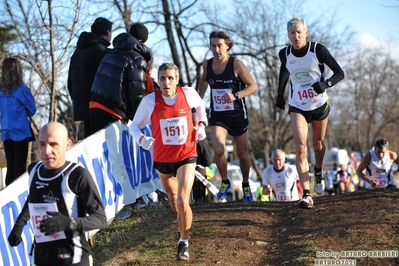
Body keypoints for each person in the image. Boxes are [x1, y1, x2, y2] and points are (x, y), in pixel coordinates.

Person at [130, 63, 207, 260]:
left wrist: (201, 125)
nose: (166, 82)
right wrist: (141, 139)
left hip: (186, 154)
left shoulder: (187, 93)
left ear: (177, 80)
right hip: (163, 157)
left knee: (182, 199)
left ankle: (183, 242)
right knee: (173, 200)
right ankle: (182, 222)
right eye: (162, 78)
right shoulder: (150, 101)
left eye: (170, 78)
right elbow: (135, 126)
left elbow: (199, 105)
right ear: (158, 80)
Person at [7, 122, 107, 266]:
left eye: (54, 144)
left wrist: (68, 223)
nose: (46, 151)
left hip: (73, 259)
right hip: (42, 257)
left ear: (68, 144)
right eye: (42, 144)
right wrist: (19, 224)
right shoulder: (34, 170)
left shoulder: (77, 175)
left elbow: (100, 219)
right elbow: (34, 198)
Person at [275, 18, 344, 209]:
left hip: (319, 104)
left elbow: (340, 72)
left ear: (306, 32)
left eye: (299, 32)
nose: (296, 36)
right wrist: (280, 94)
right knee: (300, 147)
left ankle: (318, 170)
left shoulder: (317, 50)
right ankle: (306, 194)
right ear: (288, 35)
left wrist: (325, 84)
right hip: (297, 105)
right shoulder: (285, 53)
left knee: (318, 144)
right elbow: (285, 72)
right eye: (292, 33)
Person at [198, 30, 258, 202]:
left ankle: (246, 184)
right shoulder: (207, 65)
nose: (216, 49)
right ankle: (225, 181)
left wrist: (236, 95)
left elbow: (253, 86)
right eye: (213, 46)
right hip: (218, 115)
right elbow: (203, 81)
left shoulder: (236, 64)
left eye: (220, 46)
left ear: (227, 45)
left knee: (242, 154)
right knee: (218, 150)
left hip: (237, 114)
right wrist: (197, 100)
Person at [89, 27, 152, 133]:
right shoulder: (137, 59)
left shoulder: (110, 53)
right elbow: (135, 94)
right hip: (113, 110)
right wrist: (139, 121)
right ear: (145, 42)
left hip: (95, 104)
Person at [68, 17, 113, 139]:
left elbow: (70, 82)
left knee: (89, 143)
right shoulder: (101, 51)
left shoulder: (77, 53)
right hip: (99, 107)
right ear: (108, 32)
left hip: (82, 106)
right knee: (101, 144)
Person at [0, 57, 37, 186]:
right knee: (20, 167)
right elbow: (32, 110)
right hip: (20, 131)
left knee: (11, 167)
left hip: (6, 130)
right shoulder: (22, 89)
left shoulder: (0, 90)